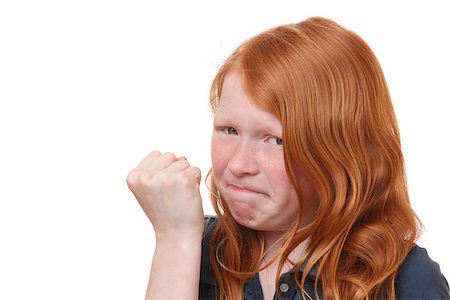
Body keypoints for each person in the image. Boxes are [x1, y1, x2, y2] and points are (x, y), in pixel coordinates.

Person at [126, 17, 449, 299]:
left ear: (343, 151)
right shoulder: (196, 249)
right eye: (229, 130)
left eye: (276, 140)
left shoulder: (405, 281)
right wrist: (175, 240)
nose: (239, 165)